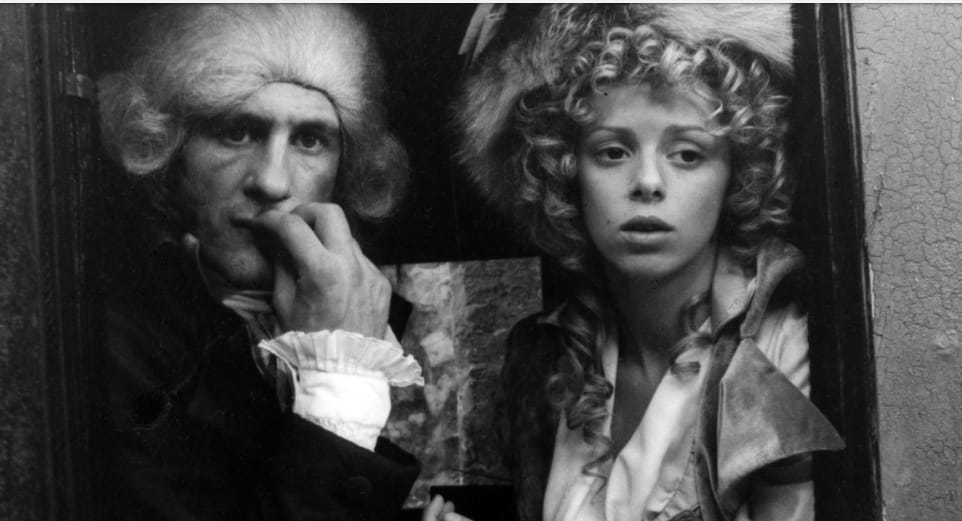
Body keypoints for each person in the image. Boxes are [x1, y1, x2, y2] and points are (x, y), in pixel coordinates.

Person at [430, 5, 845, 521]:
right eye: (613, 152)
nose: (648, 182)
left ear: (736, 174)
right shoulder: (546, 357)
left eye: (687, 154)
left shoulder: (789, 346)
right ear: (565, 173)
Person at [96, 5, 422, 520]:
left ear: (343, 173)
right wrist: (341, 380)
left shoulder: (360, 323)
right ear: (167, 151)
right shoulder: (118, 347)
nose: (271, 182)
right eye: (237, 132)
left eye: (310, 140)